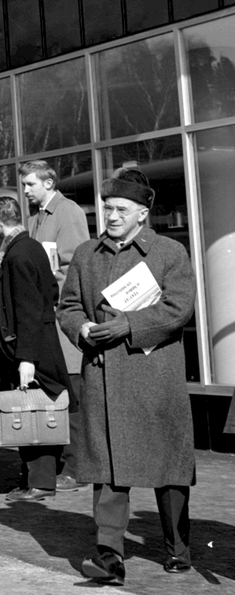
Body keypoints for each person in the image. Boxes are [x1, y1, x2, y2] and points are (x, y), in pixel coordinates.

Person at [58, 167, 196, 582]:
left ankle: (178, 549)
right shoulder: (86, 254)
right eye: (108, 208)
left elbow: (179, 308)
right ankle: (109, 556)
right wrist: (82, 328)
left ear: (142, 213)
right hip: (103, 378)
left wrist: (128, 325)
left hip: (155, 378)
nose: (112, 216)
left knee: (168, 467)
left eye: (121, 209)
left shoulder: (169, 252)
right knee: (108, 469)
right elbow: (68, 306)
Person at [0, 194, 74, 503]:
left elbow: (28, 308)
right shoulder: (31, 247)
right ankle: (33, 479)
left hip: (30, 349)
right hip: (38, 343)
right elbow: (50, 291)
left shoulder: (18, 254)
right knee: (32, 410)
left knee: (32, 412)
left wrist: (26, 358)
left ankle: (40, 482)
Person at [22, 159, 91, 490]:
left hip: (63, 320)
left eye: (30, 184)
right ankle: (61, 464)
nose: (25, 190)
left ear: (49, 183)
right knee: (56, 393)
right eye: (24, 184)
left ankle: (77, 467)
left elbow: (76, 268)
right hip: (44, 319)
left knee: (72, 393)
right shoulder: (36, 218)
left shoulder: (68, 213)